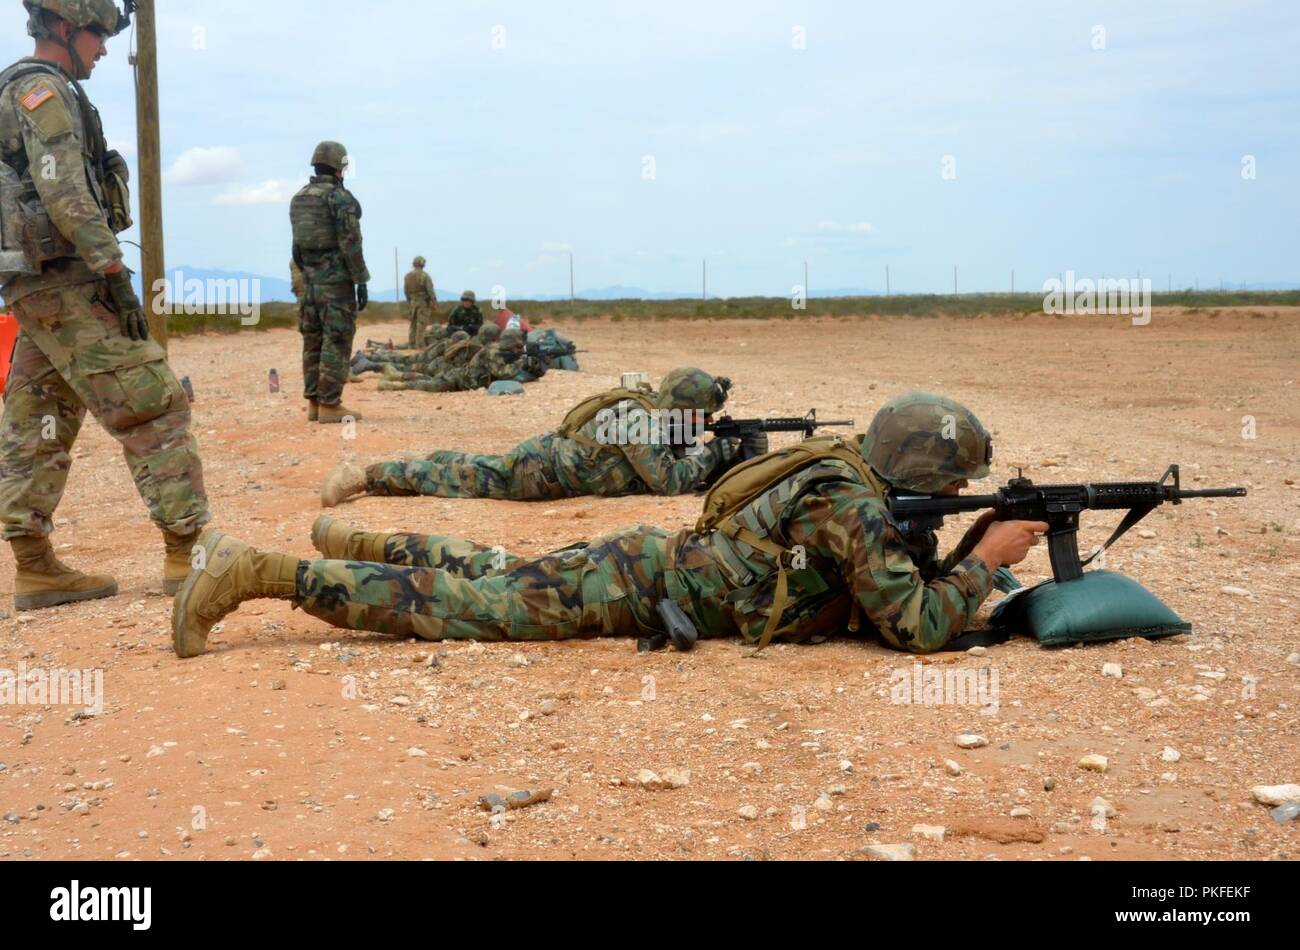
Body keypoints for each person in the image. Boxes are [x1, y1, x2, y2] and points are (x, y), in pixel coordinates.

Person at [171, 393, 1048, 659]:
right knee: (476, 607)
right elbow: (917, 624)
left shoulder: (849, 472)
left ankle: (368, 542)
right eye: (960, 483)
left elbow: (887, 579)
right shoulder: (851, 503)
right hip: (640, 584)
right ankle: (258, 573)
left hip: (647, 567)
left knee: (498, 575)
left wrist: (971, 552)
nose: (965, 492)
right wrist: (990, 562)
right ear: (929, 474)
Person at [0, 0, 210, 608]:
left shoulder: (28, 88)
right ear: (65, 28)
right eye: (97, 35)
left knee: (37, 417)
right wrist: (111, 268)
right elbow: (64, 188)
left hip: (35, 287)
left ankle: (35, 567)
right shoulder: (43, 90)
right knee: (153, 405)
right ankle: (189, 554)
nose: (104, 48)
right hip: (68, 281)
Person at [319, 368, 745, 505]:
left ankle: (437, 457)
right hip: (537, 474)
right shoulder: (641, 421)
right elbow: (667, 482)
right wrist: (716, 453)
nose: (702, 422)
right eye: (701, 415)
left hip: (544, 459)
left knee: (471, 466)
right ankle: (367, 476)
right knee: (459, 481)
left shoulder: (649, 409)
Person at [290, 140, 369, 424]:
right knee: (335, 342)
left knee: (312, 341)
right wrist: (360, 279)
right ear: (340, 167)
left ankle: (314, 402)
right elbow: (351, 243)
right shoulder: (339, 198)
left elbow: (296, 248)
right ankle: (330, 404)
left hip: (309, 283)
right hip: (335, 285)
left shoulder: (299, 197)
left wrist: (309, 273)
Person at [374, 327, 544, 396]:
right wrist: (522, 362)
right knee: (428, 385)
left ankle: (396, 375)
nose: (519, 351)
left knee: (428, 380)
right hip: (459, 379)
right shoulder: (492, 352)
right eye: (517, 348)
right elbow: (503, 372)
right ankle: (392, 382)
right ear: (509, 345)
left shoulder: (500, 352)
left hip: (462, 380)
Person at [403, 256, 435, 348]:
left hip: (413, 302)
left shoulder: (408, 276)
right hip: (423, 303)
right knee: (421, 323)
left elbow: (406, 291)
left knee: (413, 323)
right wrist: (434, 301)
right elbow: (430, 290)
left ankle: (411, 343)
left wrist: (410, 301)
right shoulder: (425, 275)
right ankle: (420, 345)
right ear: (422, 263)